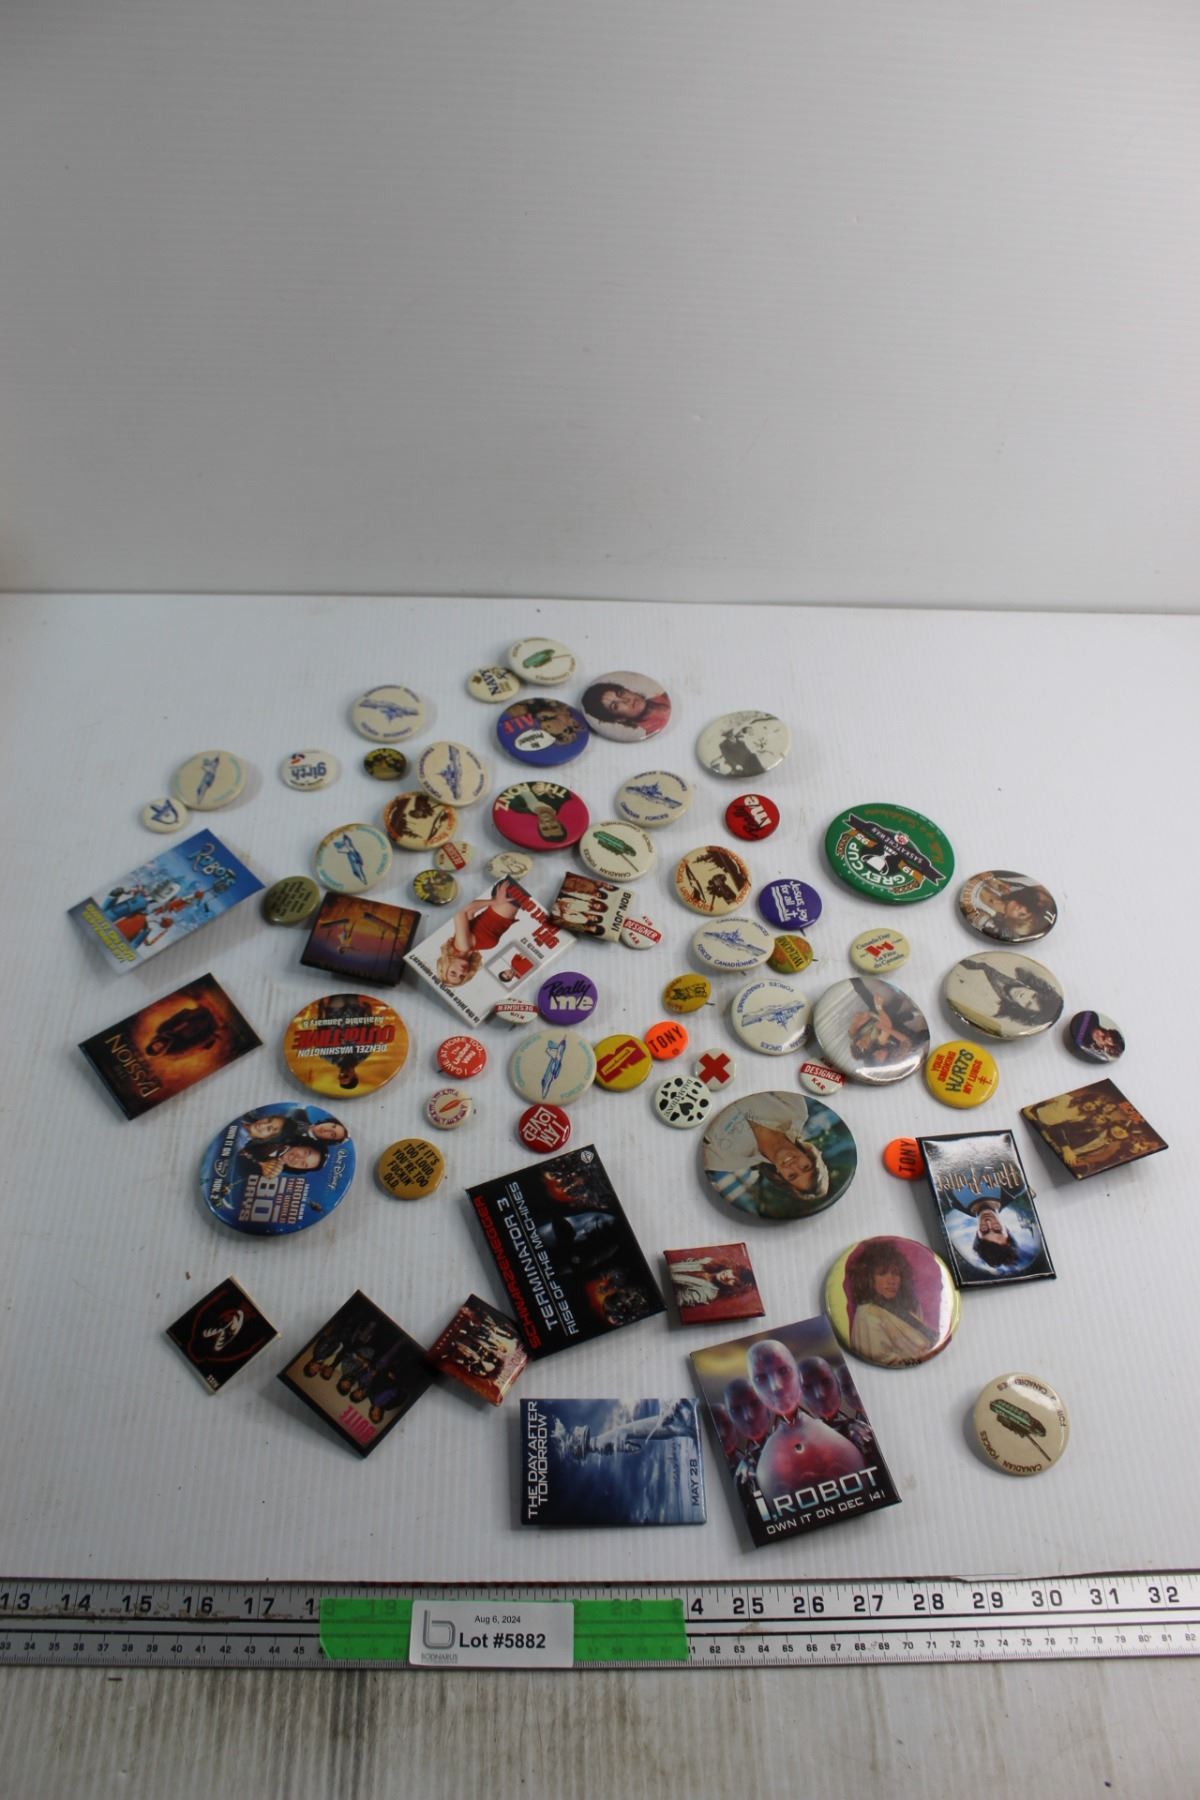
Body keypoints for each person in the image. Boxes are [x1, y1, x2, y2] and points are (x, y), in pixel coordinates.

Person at [702, 1092, 832, 1218]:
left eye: (792, 1175)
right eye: (805, 1167)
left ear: (779, 1175)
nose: (793, 1166)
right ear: (809, 1155)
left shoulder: (728, 1161)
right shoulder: (796, 1111)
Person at [845, 1241, 937, 1366]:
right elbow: (883, 1360)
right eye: (882, 1274)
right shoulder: (867, 1314)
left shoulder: (907, 1308)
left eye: (895, 1273)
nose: (891, 1280)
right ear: (868, 1278)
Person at [434, 879, 525, 987]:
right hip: (510, 899)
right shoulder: (468, 949)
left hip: (509, 896)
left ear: (446, 966)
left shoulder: (462, 946)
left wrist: (495, 902)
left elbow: (460, 912)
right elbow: (470, 912)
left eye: (453, 973)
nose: (461, 972)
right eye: (462, 976)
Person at [958, 958, 1062, 1028]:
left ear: (1021, 1008)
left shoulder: (989, 1004)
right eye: (1033, 995)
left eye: (1027, 1004)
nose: (1024, 996)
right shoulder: (1018, 968)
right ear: (1034, 989)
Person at [844, 977, 925, 1067]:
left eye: (857, 1046)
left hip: (881, 1019)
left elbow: (855, 1026)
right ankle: (905, 1007)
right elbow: (902, 1038)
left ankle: (854, 980)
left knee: (875, 1006)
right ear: (868, 1050)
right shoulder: (881, 1045)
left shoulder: (855, 1034)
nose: (860, 1045)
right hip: (902, 1038)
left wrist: (863, 1018)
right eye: (862, 1049)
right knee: (912, 1037)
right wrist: (879, 1007)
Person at [968, 875, 1057, 940]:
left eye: (1021, 914)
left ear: (1009, 920)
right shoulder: (1007, 887)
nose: (1023, 908)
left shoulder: (981, 912)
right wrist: (990, 879)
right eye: (1028, 910)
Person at [582, 680, 670, 738]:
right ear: (619, 719)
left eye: (620, 693)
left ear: (628, 690)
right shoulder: (652, 734)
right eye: (615, 706)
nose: (626, 700)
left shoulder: (666, 694)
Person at [668, 1255, 758, 1313]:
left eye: (734, 1282)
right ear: (732, 1267)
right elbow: (687, 1261)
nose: (728, 1277)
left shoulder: (709, 1293)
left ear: (732, 1288)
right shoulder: (708, 1261)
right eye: (734, 1273)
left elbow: (678, 1299)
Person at [144, 1004, 218, 1057]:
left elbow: (172, 1020)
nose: (160, 1045)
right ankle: (211, 1021)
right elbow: (190, 1047)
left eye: (156, 1045)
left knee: (199, 1014)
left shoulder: (160, 1030)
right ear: (160, 1051)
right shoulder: (172, 1052)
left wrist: (185, 1013)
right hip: (195, 1034)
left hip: (188, 1020)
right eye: (159, 1049)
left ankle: (204, 1013)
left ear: (154, 1042)